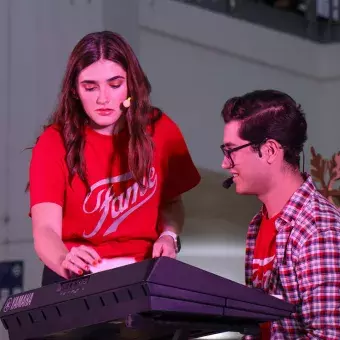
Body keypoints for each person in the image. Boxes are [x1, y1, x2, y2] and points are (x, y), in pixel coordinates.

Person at [28, 31, 201, 286]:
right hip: (74, 277)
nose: (103, 98)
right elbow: (45, 230)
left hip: (142, 276)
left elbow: (172, 203)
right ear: (74, 90)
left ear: (131, 84)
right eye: (90, 87)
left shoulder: (161, 130)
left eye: (115, 84)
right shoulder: (54, 142)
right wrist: (64, 258)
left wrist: (169, 236)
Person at [220, 89, 340, 339]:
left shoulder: (319, 230)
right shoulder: (258, 225)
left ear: (270, 151)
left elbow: (328, 336)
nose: (225, 163)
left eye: (230, 150)